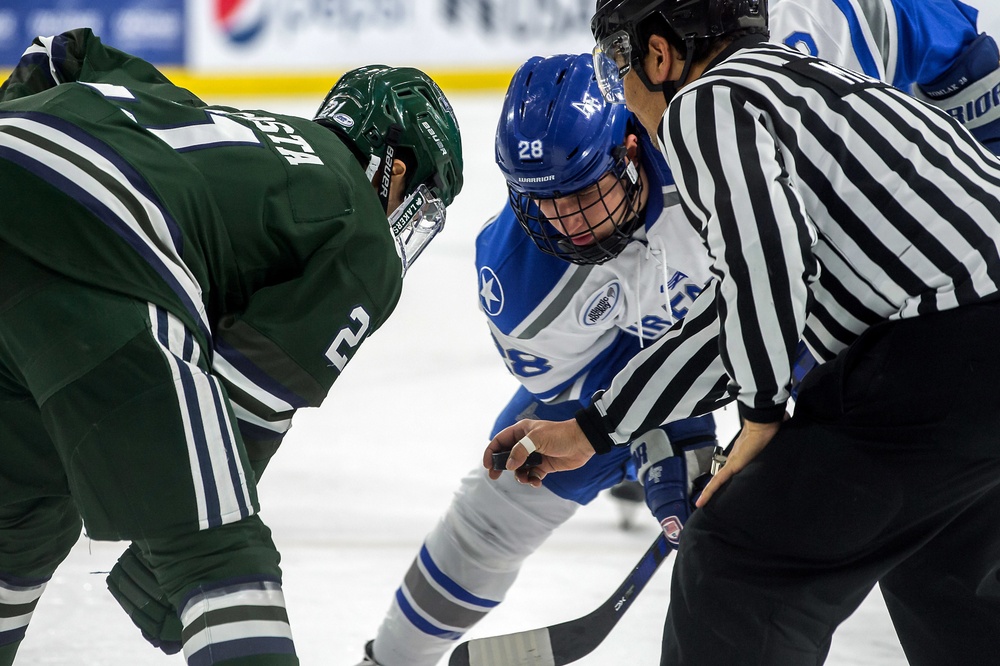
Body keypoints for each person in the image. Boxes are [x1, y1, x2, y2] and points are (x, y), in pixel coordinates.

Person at [487, 0, 1000, 664]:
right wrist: (594, 430)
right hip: (967, 360)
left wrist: (761, 414)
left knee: (737, 568)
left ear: (662, 55)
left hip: (946, 356)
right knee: (939, 568)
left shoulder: (709, 104)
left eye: (621, 64)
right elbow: (740, 310)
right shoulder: (800, 85)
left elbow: (765, 262)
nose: (623, 95)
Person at [0, 28, 463, 666]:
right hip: (104, 237)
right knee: (223, 553)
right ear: (396, 169)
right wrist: (168, 568)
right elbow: (250, 393)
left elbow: (59, 53)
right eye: (420, 200)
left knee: (24, 512)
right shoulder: (361, 224)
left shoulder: (223, 123)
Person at [355, 52, 719, 666]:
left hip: (789, 329)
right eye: (543, 200)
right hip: (622, 372)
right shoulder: (523, 291)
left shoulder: (708, 152)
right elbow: (589, 397)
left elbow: (802, 277)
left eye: (581, 192)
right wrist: (664, 438)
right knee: (495, 508)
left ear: (629, 148)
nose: (565, 223)